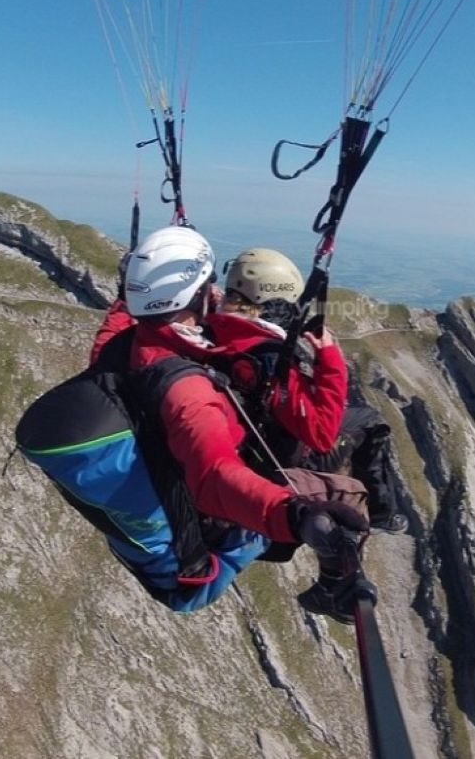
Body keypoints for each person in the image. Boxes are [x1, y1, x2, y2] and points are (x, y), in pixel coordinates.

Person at [89, 226, 372, 622]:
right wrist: (293, 515)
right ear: (194, 296)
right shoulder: (188, 390)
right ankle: (333, 592)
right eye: (208, 285)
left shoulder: (126, 346)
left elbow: (111, 330)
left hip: (162, 491)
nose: (217, 293)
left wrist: (128, 296)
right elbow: (214, 477)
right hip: (213, 525)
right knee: (349, 495)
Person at [216, 247, 408, 535]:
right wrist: (330, 358)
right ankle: (382, 513)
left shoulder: (216, 330)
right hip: (282, 458)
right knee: (371, 420)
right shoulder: (269, 359)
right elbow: (320, 435)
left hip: (247, 446)